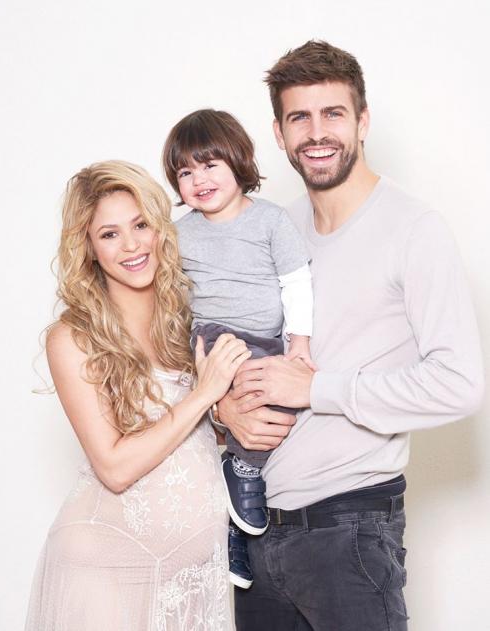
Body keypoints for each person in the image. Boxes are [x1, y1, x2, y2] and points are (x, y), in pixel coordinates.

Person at [216, 40, 485, 631]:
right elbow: (234, 349)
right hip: (255, 534)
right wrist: (224, 412)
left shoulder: (415, 230)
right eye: (299, 117)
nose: (317, 133)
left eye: (332, 113)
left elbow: (461, 384)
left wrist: (318, 389)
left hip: (349, 530)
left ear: (362, 121)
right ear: (279, 133)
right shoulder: (272, 229)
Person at [25, 160, 251, 631]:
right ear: (88, 248)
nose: (131, 245)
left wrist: (225, 412)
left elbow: (203, 441)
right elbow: (114, 467)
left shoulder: (189, 322)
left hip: (193, 579)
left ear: (160, 229)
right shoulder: (73, 338)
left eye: (140, 225)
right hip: (106, 572)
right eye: (109, 234)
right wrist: (203, 394)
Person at [162, 109, 315, 588]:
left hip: (267, 341)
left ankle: (233, 513)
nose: (199, 180)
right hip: (214, 336)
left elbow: (295, 281)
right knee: (243, 397)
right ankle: (243, 473)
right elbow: (168, 294)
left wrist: (299, 342)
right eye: (185, 173)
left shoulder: (270, 220)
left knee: (280, 411)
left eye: (210, 165)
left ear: (238, 160)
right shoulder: (180, 233)